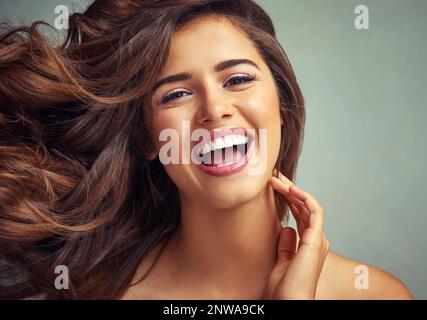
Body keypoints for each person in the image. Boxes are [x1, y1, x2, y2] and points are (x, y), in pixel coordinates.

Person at [0, 0, 412, 300]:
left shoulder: (377, 294)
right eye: (176, 93)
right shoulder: (93, 293)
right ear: (147, 139)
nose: (215, 110)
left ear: (282, 106)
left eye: (237, 80)